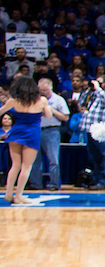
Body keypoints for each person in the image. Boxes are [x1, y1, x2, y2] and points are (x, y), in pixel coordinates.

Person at [0, 75, 47, 204]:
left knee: (15, 165)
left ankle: (9, 193)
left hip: (16, 132)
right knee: (26, 166)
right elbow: (48, 116)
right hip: (32, 133)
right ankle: (19, 195)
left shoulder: (13, 101)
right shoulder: (41, 100)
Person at [81, 75, 105, 189]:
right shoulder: (93, 94)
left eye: (100, 83)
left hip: (104, 131)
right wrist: (89, 90)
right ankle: (100, 182)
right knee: (95, 157)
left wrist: (98, 89)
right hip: (91, 130)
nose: (96, 85)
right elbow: (81, 102)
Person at [29, 78, 68, 191]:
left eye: (45, 90)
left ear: (50, 88)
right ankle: (36, 184)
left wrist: (51, 110)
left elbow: (65, 117)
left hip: (52, 131)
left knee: (53, 160)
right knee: (34, 160)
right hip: (36, 131)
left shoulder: (58, 100)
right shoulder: (35, 99)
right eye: (40, 90)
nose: (42, 92)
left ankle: (54, 184)